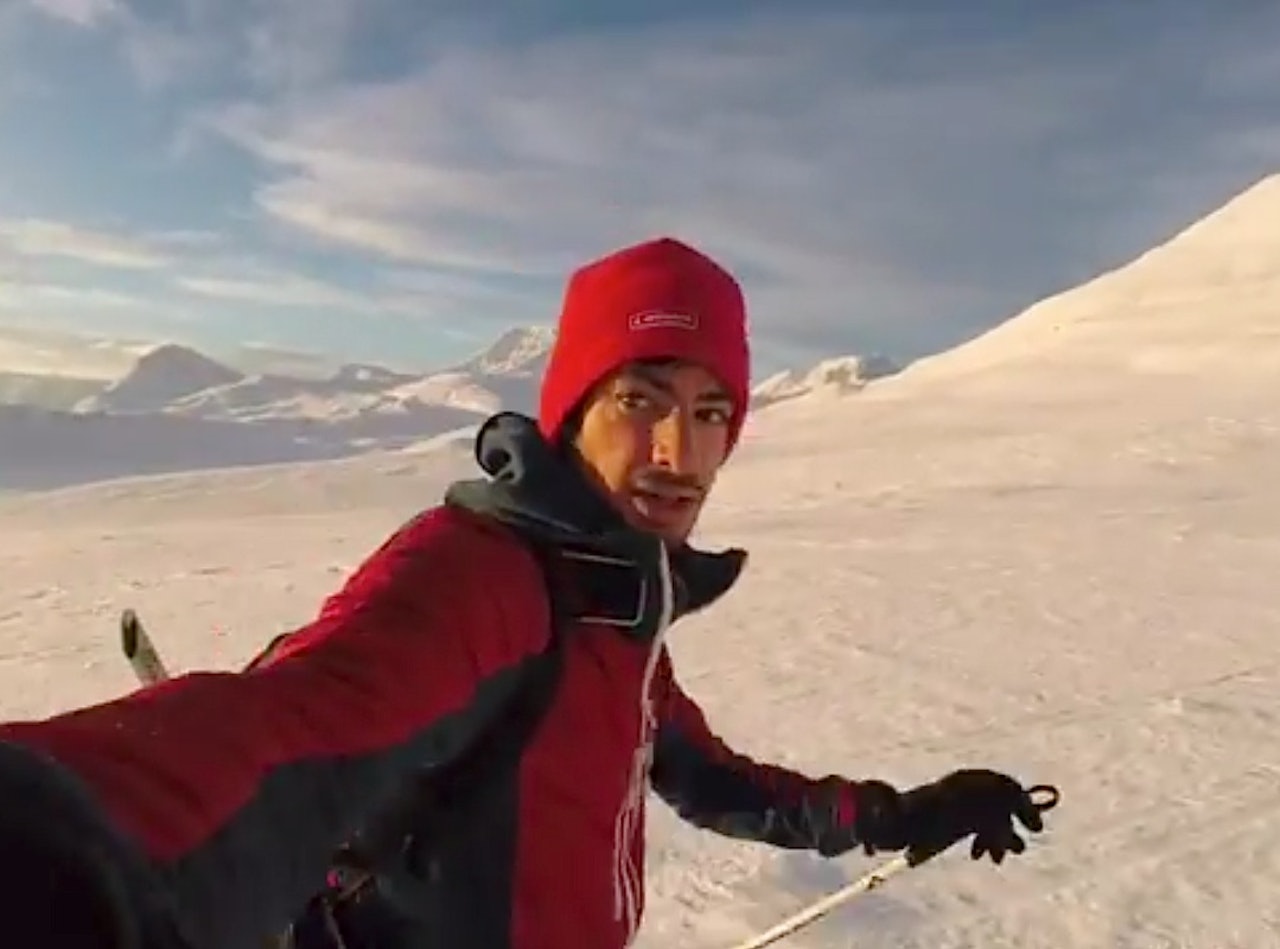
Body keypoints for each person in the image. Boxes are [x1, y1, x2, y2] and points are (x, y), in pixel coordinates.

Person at [0, 237, 1053, 949]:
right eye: (638, 399)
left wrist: (891, 813)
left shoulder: (616, 604)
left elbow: (706, 775)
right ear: (570, 413)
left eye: (710, 411)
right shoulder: (483, 578)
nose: (674, 450)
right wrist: (62, 847)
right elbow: (291, 727)